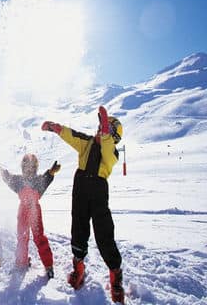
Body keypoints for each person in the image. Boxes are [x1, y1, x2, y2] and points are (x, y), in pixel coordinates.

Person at [41, 106, 125, 303]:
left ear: (113, 135)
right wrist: (55, 127)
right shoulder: (87, 142)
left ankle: (115, 277)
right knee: (78, 228)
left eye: (105, 128)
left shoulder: (112, 151)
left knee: (104, 232)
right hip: (80, 187)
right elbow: (72, 135)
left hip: (98, 190)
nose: (99, 130)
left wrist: (105, 134)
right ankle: (78, 266)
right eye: (100, 127)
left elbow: (106, 150)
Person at [1, 154, 61, 279]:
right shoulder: (18, 181)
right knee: (22, 236)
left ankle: (48, 265)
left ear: (35, 168)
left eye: (31, 167)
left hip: (34, 210)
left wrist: (51, 172)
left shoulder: (39, 180)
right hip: (22, 210)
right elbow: (8, 178)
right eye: (26, 167)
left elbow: (47, 177)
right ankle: (21, 261)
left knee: (39, 237)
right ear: (23, 168)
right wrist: (0, 171)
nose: (29, 169)